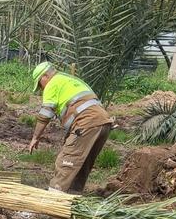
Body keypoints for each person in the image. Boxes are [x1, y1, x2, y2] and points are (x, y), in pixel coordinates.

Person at [25, 62, 112, 194]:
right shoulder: (70, 80)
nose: (41, 89)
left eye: (39, 84)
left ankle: (54, 200)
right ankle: (73, 198)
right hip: (104, 122)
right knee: (81, 165)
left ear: (44, 77)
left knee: (65, 163)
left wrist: (35, 137)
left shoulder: (52, 83)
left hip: (86, 123)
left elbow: (45, 114)